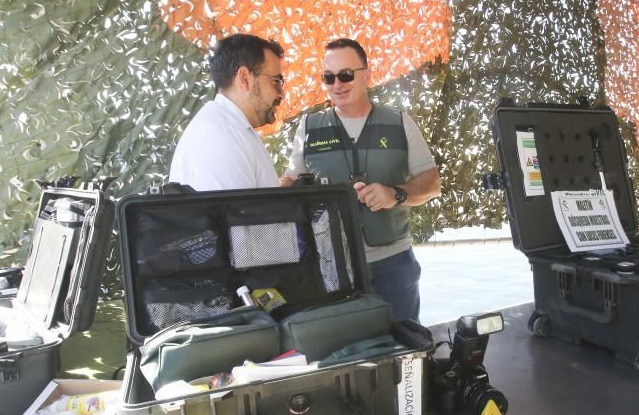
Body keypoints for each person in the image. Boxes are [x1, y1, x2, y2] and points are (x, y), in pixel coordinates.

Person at [280, 38, 441, 322]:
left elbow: (431, 183)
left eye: (346, 75)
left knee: (404, 347)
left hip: (393, 264)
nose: (337, 84)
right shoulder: (308, 128)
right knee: (345, 356)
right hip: (332, 267)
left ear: (367, 74)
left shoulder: (400, 122)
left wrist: (396, 194)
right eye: (328, 78)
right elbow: (291, 183)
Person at [169, 34, 285, 190]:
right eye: (276, 82)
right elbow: (237, 213)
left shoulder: (231, 128)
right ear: (245, 78)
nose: (281, 94)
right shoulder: (219, 136)